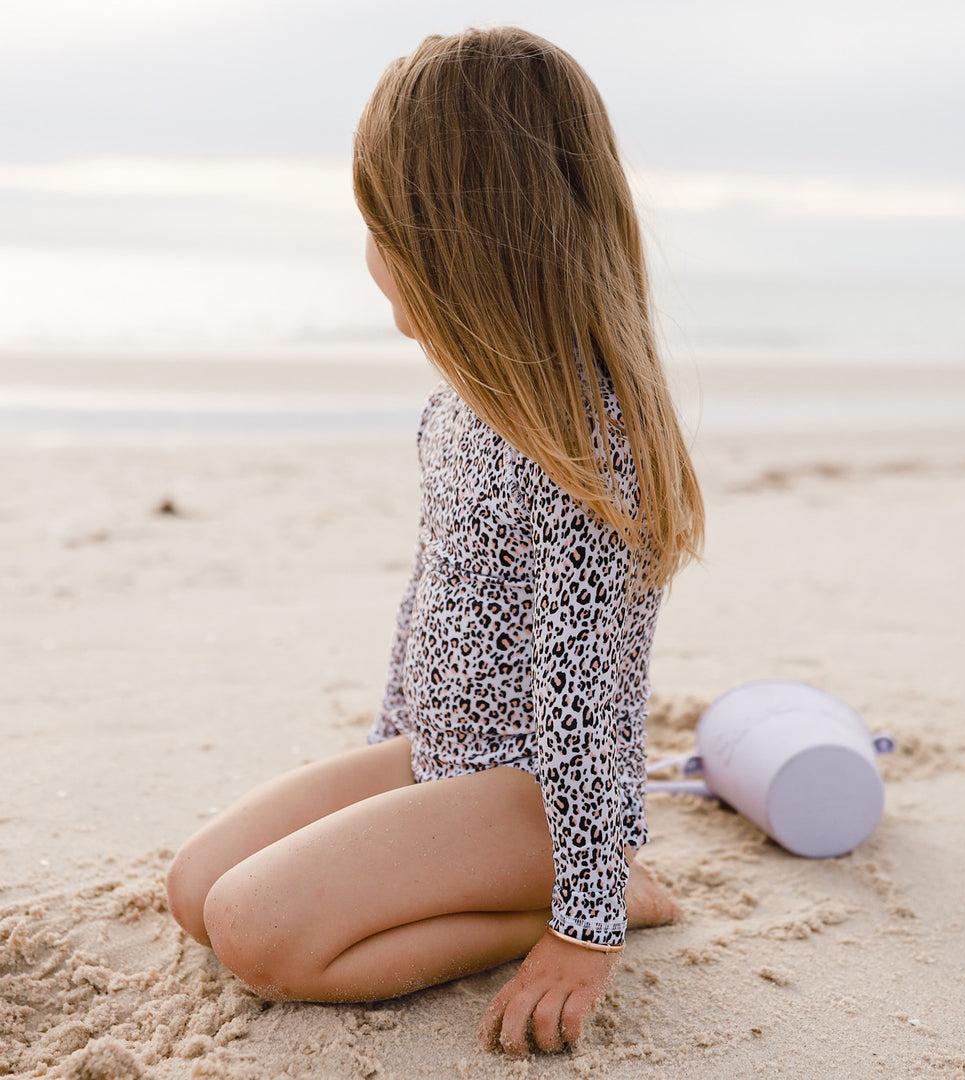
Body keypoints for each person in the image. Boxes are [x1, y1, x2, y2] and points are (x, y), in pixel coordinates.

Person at [165, 25, 704, 1057]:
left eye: (382, 226)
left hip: (543, 795)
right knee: (197, 889)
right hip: (446, 759)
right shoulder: (459, 410)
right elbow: (428, 606)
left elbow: (586, 704)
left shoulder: (584, 450)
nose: (367, 254)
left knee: (256, 932)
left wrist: (578, 933)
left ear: (454, 248)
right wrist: (382, 773)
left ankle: (610, 896)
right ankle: (515, 877)